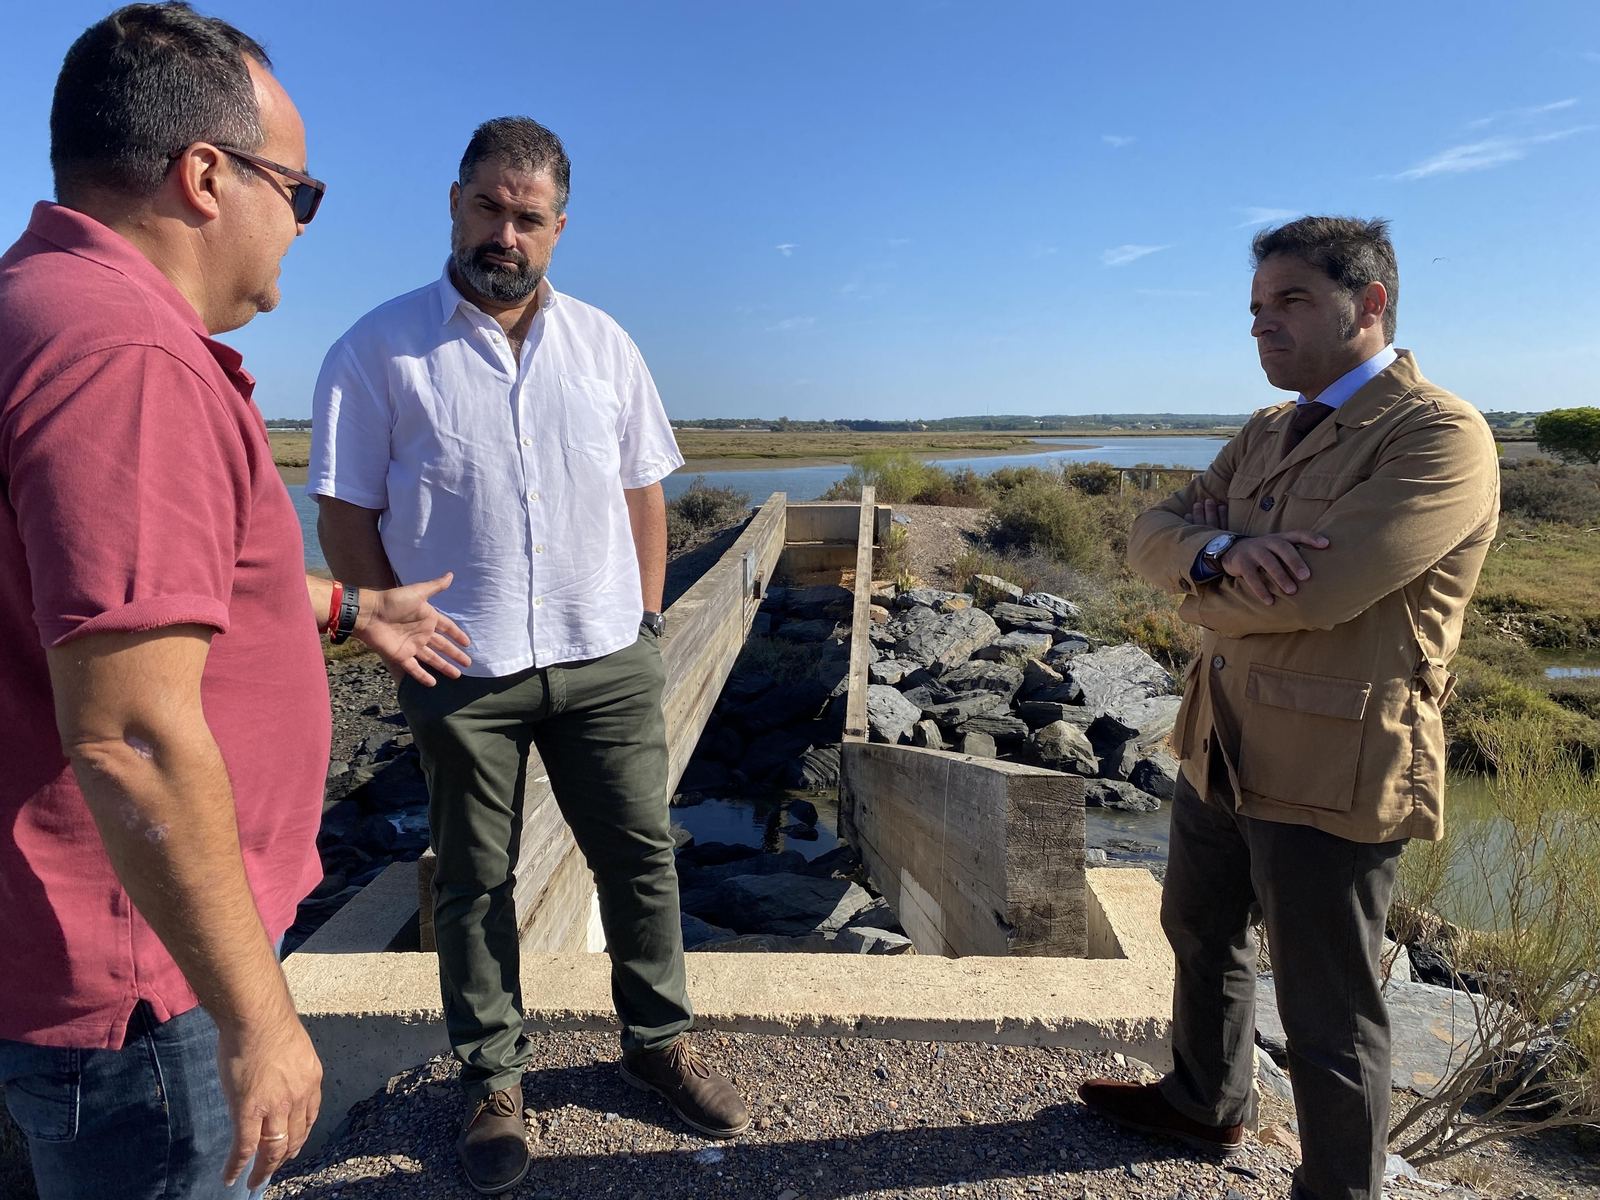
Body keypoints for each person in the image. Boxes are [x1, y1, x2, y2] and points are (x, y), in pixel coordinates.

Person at [0, 6, 472, 1199]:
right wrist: (257, 1019)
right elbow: (134, 738)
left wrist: (345, 610)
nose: (301, 227)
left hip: (82, 954)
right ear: (205, 175)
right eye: (299, 193)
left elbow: (111, 600)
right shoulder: (127, 359)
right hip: (144, 986)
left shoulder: (40, 306)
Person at [310, 115, 748, 1195]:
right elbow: (343, 510)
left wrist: (646, 622)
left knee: (641, 857)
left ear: (559, 227)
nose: (505, 233)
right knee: (470, 881)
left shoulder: (605, 343)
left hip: (605, 656)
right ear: (454, 203)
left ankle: (655, 1047)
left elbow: (644, 492)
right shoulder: (377, 349)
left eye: (529, 217)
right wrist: (385, 619)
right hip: (465, 669)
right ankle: (494, 1084)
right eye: (488, 208)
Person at [1080, 216, 1499, 1200]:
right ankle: (1203, 1100)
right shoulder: (1267, 429)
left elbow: (1315, 592)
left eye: (1292, 302)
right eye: (1257, 309)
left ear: (1371, 304)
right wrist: (1218, 553)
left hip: (1335, 762)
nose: (1262, 326)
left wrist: (1197, 582)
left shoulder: (1438, 435)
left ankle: (1339, 1189)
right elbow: (1148, 532)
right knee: (1198, 930)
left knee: (1328, 1008)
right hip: (1220, 741)